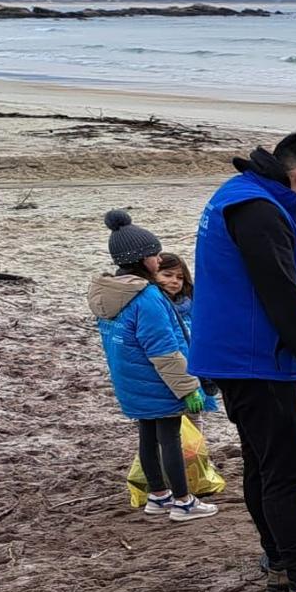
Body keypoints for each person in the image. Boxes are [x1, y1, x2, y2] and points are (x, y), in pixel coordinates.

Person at [188, 133, 296, 592]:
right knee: (284, 470)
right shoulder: (259, 210)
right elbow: (282, 299)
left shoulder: (241, 194)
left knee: (262, 463)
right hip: (253, 358)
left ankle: (280, 553)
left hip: (235, 353)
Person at [89, 210, 216, 521]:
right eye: (155, 255)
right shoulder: (147, 297)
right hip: (157, 381)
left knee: (147, 436)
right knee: (169, 437)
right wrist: (188, 389)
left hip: (129, 380)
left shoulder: (107, 293)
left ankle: (157, 496)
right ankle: (184, 502)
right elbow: (163, 349)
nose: (159, 260)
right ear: (141, 259)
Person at [153, 252, 195, 341]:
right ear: (153, 275)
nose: (175, 281)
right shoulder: (150, 305)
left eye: (180, 277)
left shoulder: (192, 306)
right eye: (168, 275)